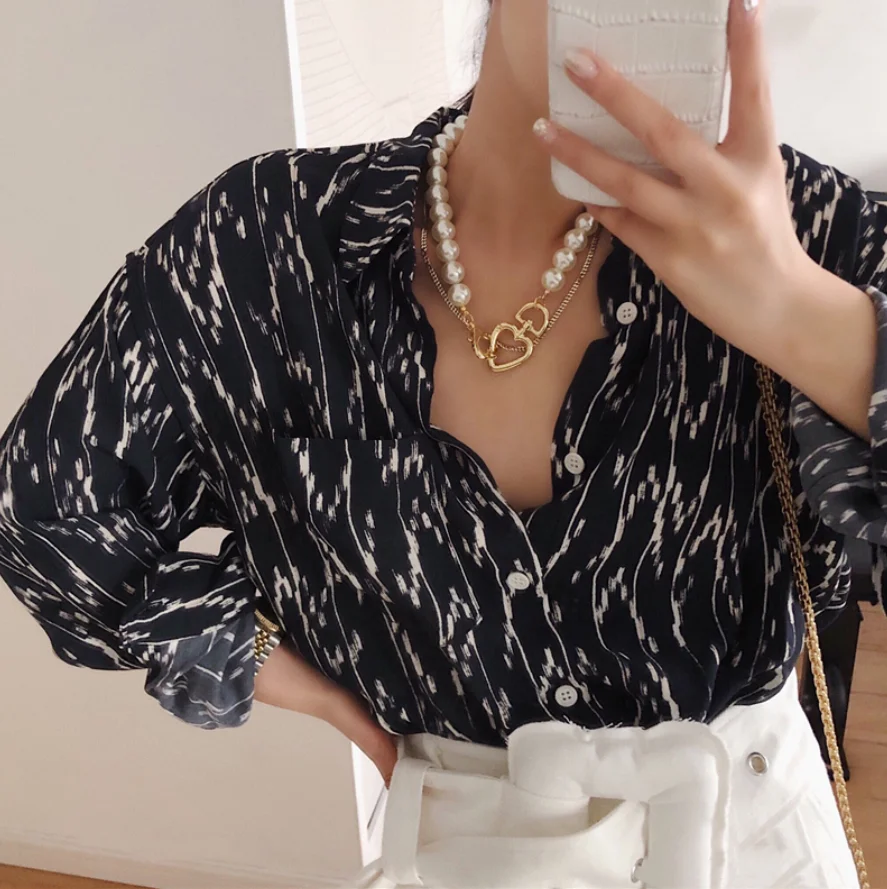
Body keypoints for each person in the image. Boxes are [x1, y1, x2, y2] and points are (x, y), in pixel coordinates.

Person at [0, 0, 884, 885]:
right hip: (460, 855)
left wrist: (797, 313)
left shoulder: (815, 231)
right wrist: (287, 673)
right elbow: (43, 512)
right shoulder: (266, 247)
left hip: (758, 847)